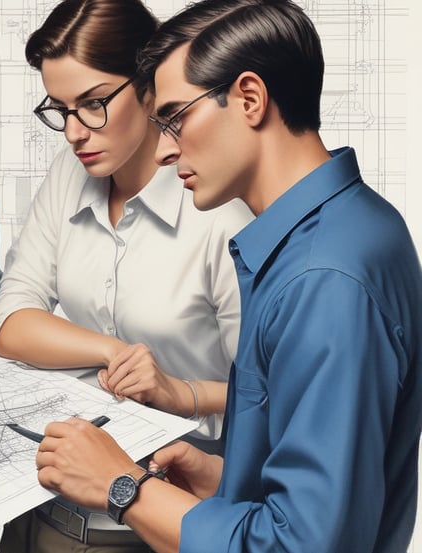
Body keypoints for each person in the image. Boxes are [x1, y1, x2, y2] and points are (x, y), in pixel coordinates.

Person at [32, 0, 422, 551]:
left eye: (175, 118)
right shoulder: (352, 226)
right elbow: (337, 491)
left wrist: (124, 487)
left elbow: (302, 545)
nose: (164, 149)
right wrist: (226, 478)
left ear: (249, 99)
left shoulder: (325, 278)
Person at [0, 0, 253, 551]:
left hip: (159, 520)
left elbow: (269, 396)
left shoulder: (220, 211)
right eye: (59, 109)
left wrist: (177, 390)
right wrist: (113, 352)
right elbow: (10, 321)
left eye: (92, 104)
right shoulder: (71, 172)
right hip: (40, 509)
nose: (72, 132)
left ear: (150, 86)